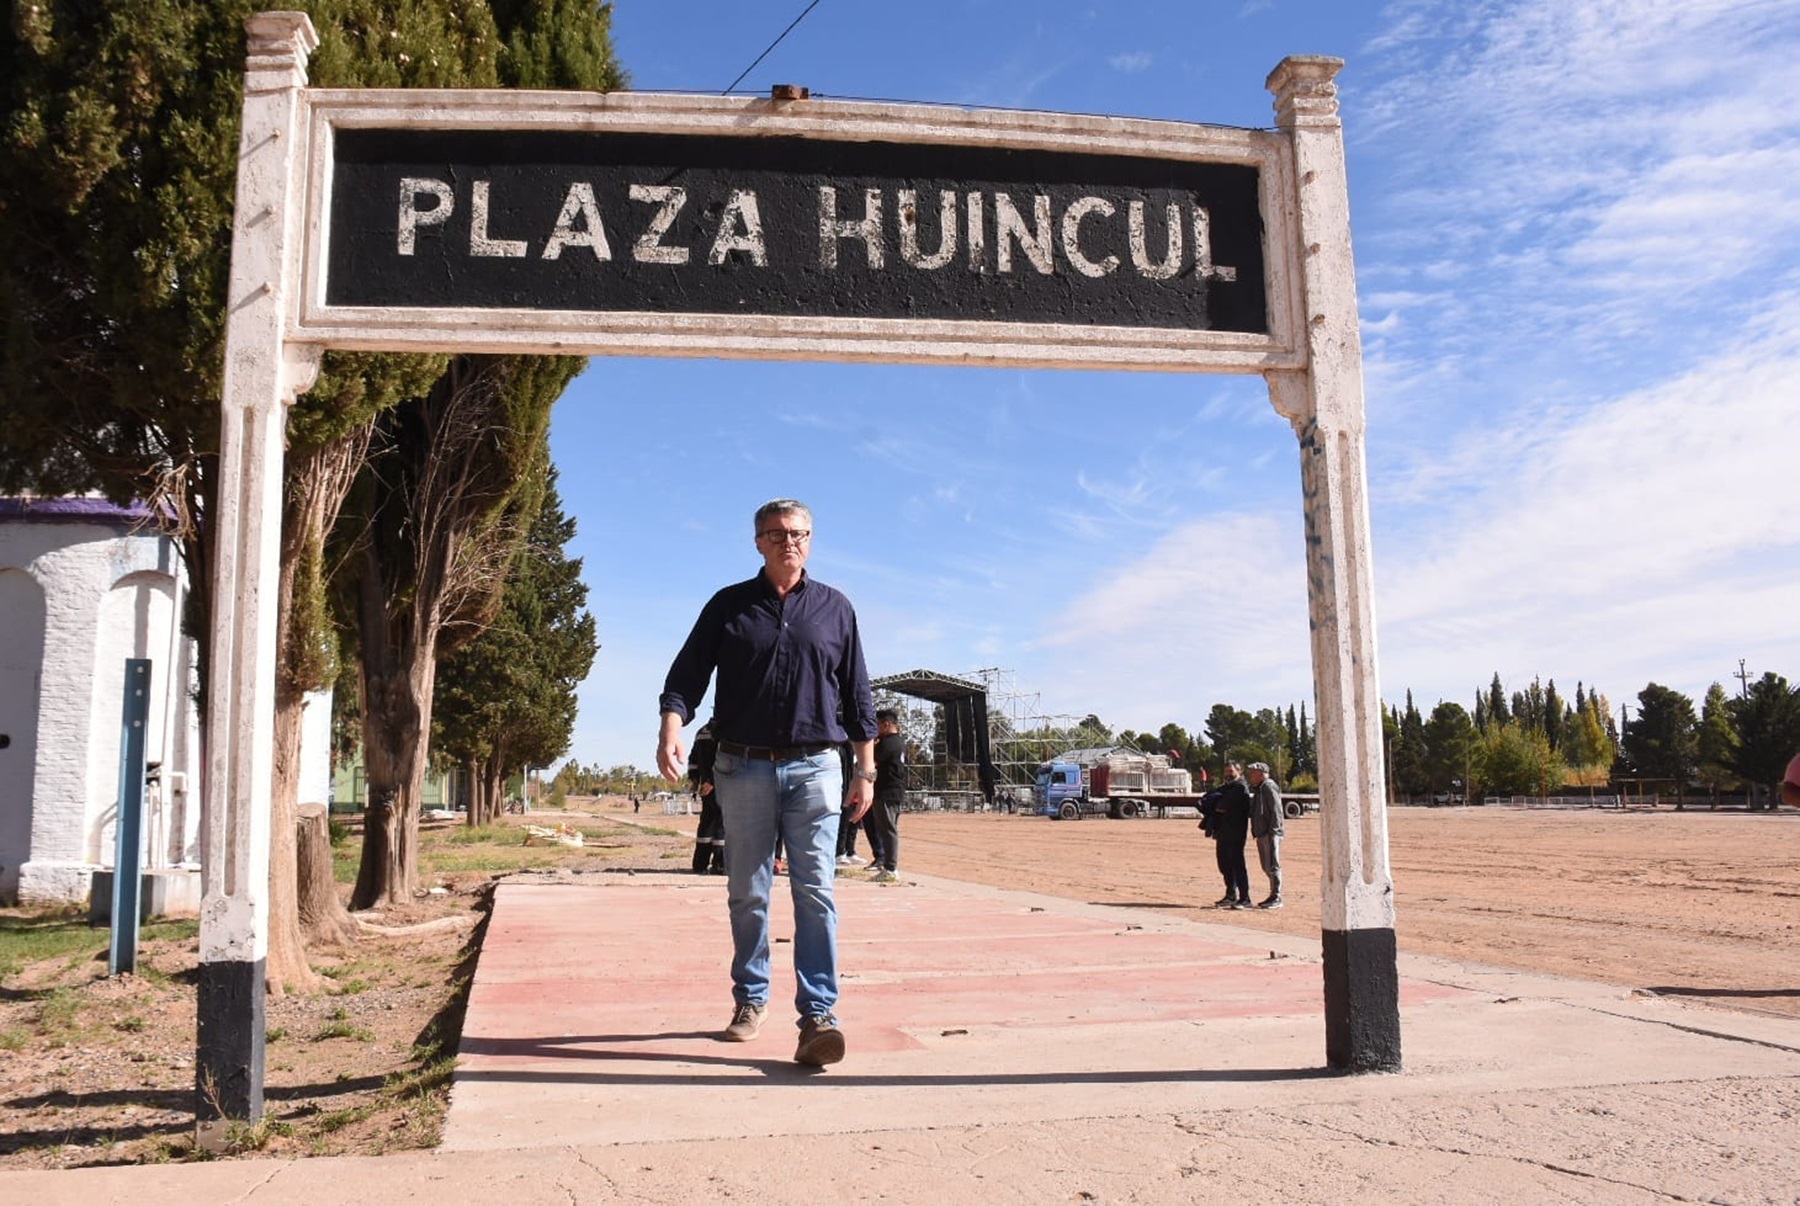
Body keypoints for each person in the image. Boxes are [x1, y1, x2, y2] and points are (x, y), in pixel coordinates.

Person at [657, 499, 877, 1068]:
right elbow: (687, 675)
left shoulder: (835, 608)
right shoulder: (729, 606)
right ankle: (751, 1000)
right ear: (757, 542)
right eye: (777, 534)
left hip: (816, 768)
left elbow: (857, 695)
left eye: (799, 533)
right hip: (743, 765)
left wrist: (866, 768)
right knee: (749, 892)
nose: (789, 543)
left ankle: (819, 1015)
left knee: (816, 892)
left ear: (812, 539)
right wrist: (671, 729)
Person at [1202, 761, 1252, 908]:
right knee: (1224, 864)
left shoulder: (1240, 787)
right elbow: (1209, 801)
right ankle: (1231, 894)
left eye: (1231, 771)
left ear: (1239, 772)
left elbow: (1223, 806)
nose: (1228, 774)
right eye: (1226, 772)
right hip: (1223, 831)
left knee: (1238, 865)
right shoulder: (1226, 787)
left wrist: (1218, 804)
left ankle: (1245, 898)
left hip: (1236, 832)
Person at [867, 708, 907, 882]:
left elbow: (870, 762)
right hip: (896, 791)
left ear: (886, 724)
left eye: (877, 724)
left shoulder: (887, 743)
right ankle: (888, 865)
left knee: (888, 830)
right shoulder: (900, 742)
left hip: (886, 792)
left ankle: (890, 867)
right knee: (888, 829)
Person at [1246, 761, 1284, 909]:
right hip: (1262, 833)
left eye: (1253, 773)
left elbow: (1276, 810)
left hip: (1270, 833)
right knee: (1266, 866)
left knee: (1273, 865)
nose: (1251, 776)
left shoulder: (1268, 786)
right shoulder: (1259, 789)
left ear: (1262, 773)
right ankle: (1273, 894)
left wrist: (1274, 831)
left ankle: (1276, 897)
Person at [689, 725, 724, 875]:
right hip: (722, 783)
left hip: (705, 786)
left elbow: (693, 758)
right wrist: (712, 781)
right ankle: (721, 864)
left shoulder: (701, 731)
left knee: (707, 823)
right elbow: (723, 757)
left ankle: (700, 864)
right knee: (723, 824)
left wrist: (695, 779)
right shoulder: (726, 729)